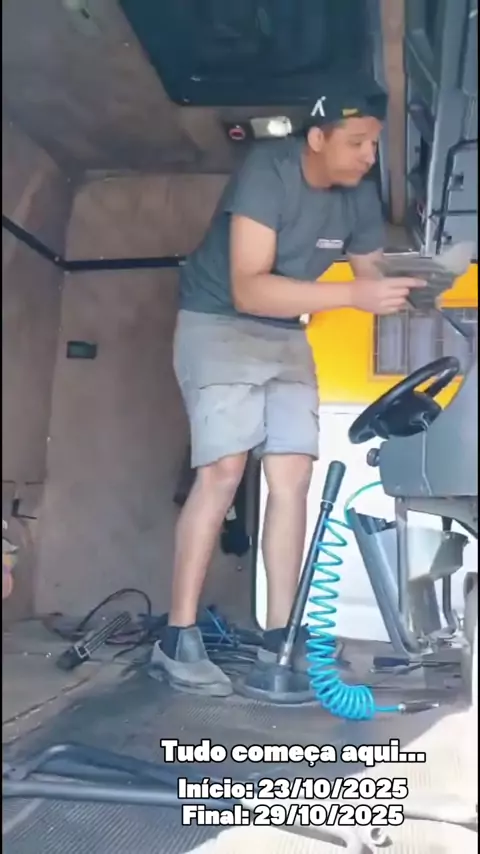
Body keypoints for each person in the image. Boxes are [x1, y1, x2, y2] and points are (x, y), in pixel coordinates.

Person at [150, 82, 425, 695]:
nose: (369, 156)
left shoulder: (359, 195)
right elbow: (249, 287)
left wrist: (417, 284)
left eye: (375, 144)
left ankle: (282, 635)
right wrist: (353, 294)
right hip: (219, 322)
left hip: (286, 331)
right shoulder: (268, 170)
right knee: (223, 470)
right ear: (318, 138)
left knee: (294, 476)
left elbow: (370, 275)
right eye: (357, 143)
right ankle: (178, 638)